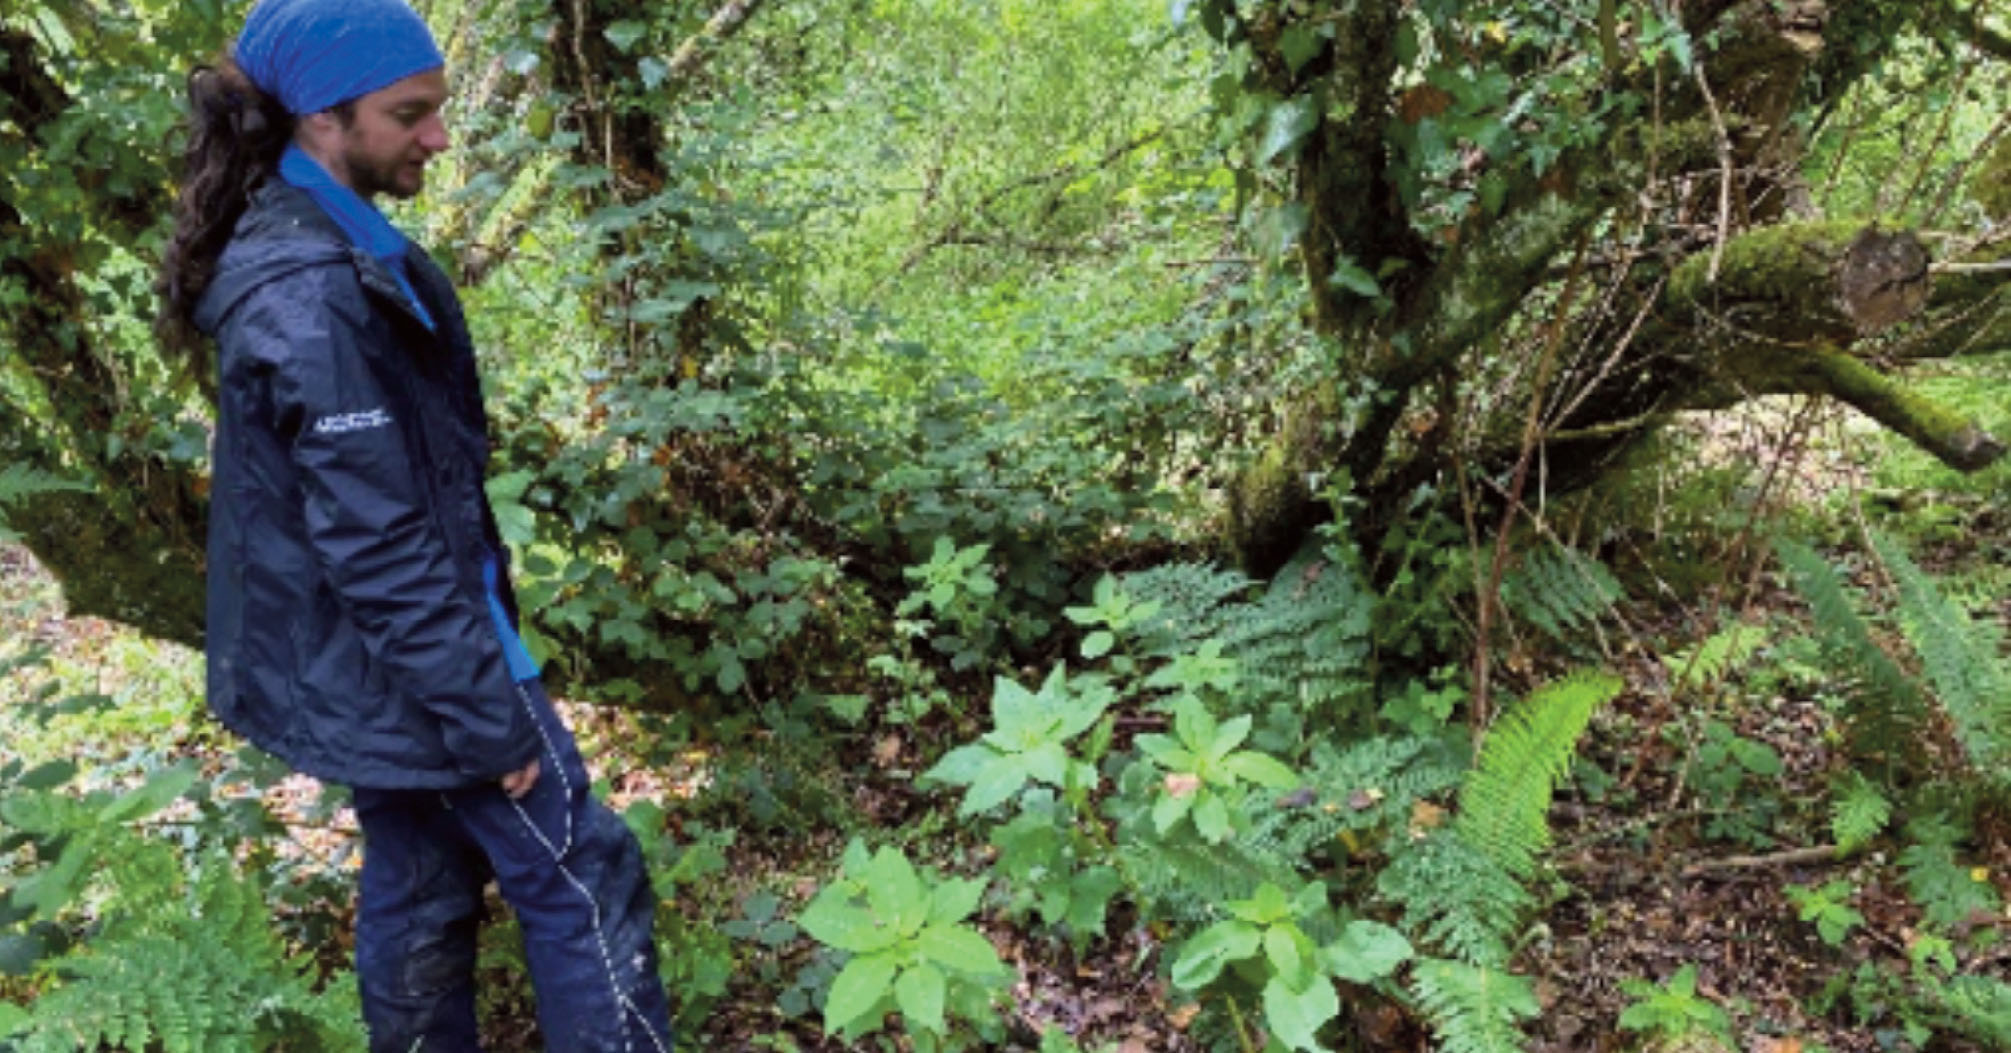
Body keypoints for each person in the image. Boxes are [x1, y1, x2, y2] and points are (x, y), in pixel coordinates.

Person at [153, 1, 675, 1049]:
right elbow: (377, 540)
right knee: (580, 875)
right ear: (319, 119)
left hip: (378, 656)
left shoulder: (323, 241)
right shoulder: (309, 296)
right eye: (410, 114)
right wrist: (488, 713)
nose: (438, 137)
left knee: (424, 874)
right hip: (428, 653)